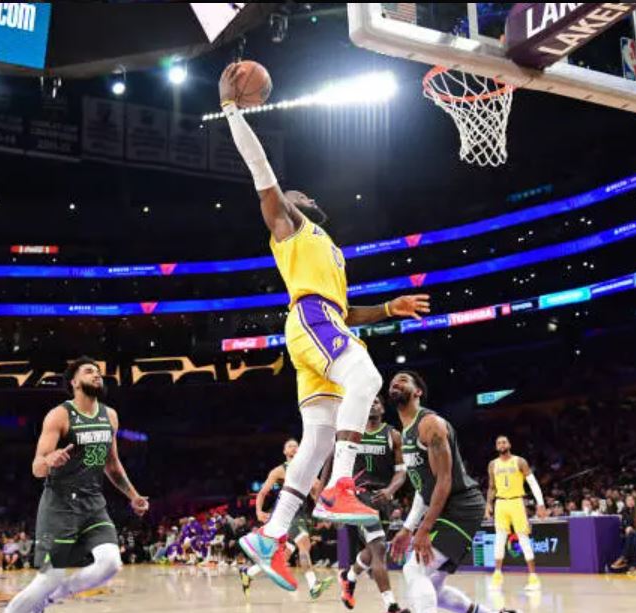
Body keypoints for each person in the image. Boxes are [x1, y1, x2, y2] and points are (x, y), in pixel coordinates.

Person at [218, 62, 431, 593]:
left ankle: (271, 537)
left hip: (322, 321)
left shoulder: (329, 249)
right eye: (289, 193)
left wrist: (389, 309)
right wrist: (231, 110)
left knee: (315, 438)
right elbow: (260, 167)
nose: (295, 193)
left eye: (299, 193)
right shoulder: (288, 227)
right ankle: (339, 486)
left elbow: (346, 312)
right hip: (310, 318)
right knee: (367, 378)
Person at [4, 357, 149, 613]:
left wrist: (133, 495)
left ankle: (52, 598)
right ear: (74, 382)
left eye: (98, 372)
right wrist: (50, 460)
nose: (97, 375)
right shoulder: (59, 415)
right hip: (60, 505)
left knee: (111, 563)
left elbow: (112, 464)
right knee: (50, 577)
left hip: (93, 503)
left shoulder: (110, 415)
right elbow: (37, 467)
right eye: (89, 371)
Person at [388, 371, 513, 613]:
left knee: (414, 569)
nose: (396, 383)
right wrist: (408, 528)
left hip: (460, 506)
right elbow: (423, 489)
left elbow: (443, 481)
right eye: (393, 381)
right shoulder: (405, 434)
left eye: (403, 380)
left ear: (418, 392)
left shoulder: (429, 424)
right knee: (434, 589)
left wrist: (424, 528)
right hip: (447, 508)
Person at [338, 395, 409, 613]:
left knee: (373, 551)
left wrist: (390, 491)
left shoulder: (393, 435)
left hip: (383, 499)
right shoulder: (353, 433)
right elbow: (336, 461)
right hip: (359, 498)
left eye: (376, 402)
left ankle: (349, 577)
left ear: (383, 409)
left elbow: (401, 473)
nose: (371, 404)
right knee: (378, 549)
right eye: (367, 402)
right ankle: (391, 606)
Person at [239, 439, 333, 600]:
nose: (294, 448)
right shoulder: (279, 470)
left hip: (302, 514)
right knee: (304, 544)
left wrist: (324, 508)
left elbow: (317, 491)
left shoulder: (306, 469)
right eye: (290, 446)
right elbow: (262, 493)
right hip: (287, 516)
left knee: (284, 554)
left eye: (296, 445)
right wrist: (259, 511)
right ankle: (313, 585)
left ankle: (248, 572)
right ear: (284, 451)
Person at [484, 435, 546, 590]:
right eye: (499, 443)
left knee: (523, 539)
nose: (501, 444)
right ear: (496, 447)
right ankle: (497, 576)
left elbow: (533, 483)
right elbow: (491, 487)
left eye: (504, 442)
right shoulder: (493, 464)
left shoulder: (519, 461)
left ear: (509, 444)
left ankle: (533, 578)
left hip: (517, 502)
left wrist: (540, 504)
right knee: (499, 539)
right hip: (500, 503)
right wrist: (488, 504)